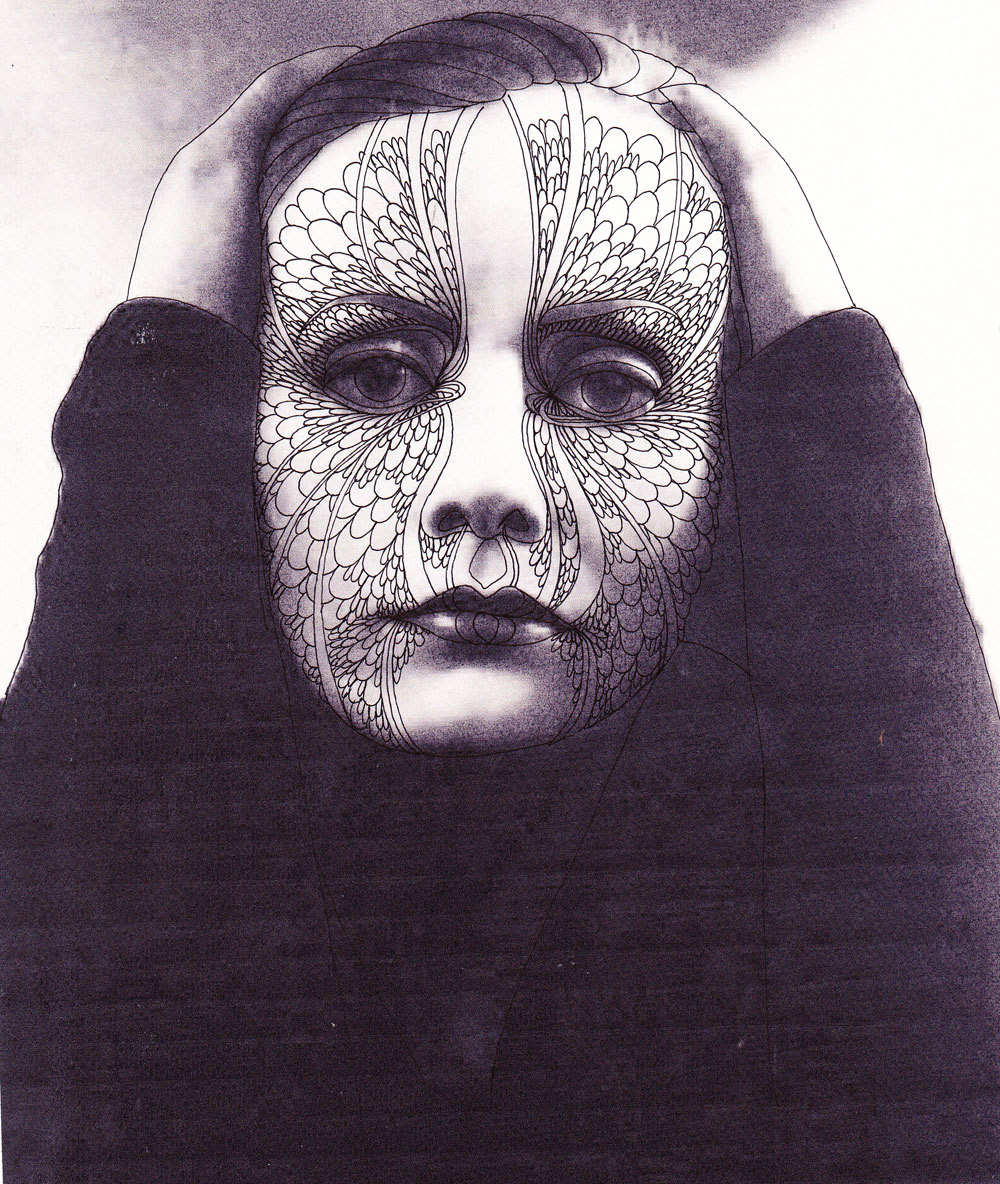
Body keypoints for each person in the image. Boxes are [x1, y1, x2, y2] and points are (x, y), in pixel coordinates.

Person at [2, 14, 998, 1182]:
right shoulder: (167, 920)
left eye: (611, 385)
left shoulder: (786, 939)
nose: (488, 483)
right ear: (230, 434)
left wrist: (835, 383)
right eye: (372, 373)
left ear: (729, 454)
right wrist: (164, 363)